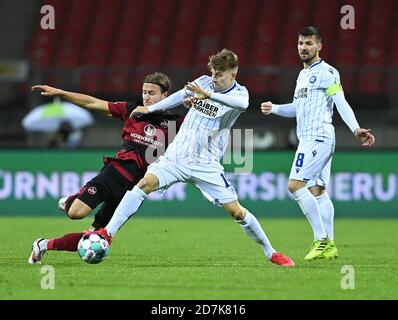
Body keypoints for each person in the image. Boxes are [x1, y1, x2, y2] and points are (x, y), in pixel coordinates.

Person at [95, 49, 295, 267]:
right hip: (177, 156)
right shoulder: (204, 82)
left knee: (237, 212)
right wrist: (150, 109)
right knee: (144, 184)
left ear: (233, 74)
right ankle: (107, 233)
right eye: (213, 73)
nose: (215, 78)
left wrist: (207, 95)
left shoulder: (240, 93)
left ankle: (271, 252)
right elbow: (178, 97)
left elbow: (242, 106)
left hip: (206, 163)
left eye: (220, 75)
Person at [28, 72, 184, 264]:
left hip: (135, 191)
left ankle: (43, 245)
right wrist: (61, 92)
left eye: (151, 93)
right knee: (75, 213)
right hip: (114, 175)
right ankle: (70, 201)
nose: (146, 96)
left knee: (99, 237)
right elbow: (93, 102)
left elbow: (205, 128)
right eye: (144, 92)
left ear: (165, 96)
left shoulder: (176, 123)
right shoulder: (132, 110)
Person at [260, 26, 375, 261]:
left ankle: (321, 240)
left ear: (319, 46)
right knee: (318, 191)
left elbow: (340, 101)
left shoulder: (328, 72)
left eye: (309, 43)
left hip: (318, 138)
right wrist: (275, 109)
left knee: (294, 186)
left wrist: (355, 129)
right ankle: (330, 244)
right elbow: (297, 108)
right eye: (301, 43)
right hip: (312, 139)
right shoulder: (301, 76)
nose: (304, 47)